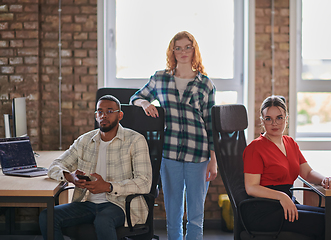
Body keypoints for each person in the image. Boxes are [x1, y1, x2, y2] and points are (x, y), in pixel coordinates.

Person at [130, 31, 217, 240]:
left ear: (194, 49)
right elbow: (136, 97)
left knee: (196, 216)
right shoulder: (160, 78)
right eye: (178, 47)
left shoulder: (205, 84)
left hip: (199, 155)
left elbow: (211, 125)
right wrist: (145, 103)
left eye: (187, 47)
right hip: (170, 155)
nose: (183, 52)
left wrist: (213, 160)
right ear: (172, 51)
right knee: (173, 214)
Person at [39, 95, 152, 240]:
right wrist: (70, 177)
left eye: (110, 111)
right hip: (86, 203)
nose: (104, 115)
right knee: (47, 216)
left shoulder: (135, 140)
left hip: (120, 204)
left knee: (103, 220)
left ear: (120, 115)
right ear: (96, 116)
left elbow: (144, 182)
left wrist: (108, 186)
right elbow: (54, 166)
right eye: (100, 112)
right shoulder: (85, 140)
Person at [242, 95, 331, 239]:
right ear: (262, 121)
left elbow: (307, 173)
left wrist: (324, 180)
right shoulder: (255, 148)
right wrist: (281, 196)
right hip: (264, 210)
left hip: (285, 203)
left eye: (279, 117)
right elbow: (251, 187)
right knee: (329, 223)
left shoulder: (290, 143)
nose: (274, 123)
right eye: (268, 119)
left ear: (286, 119)